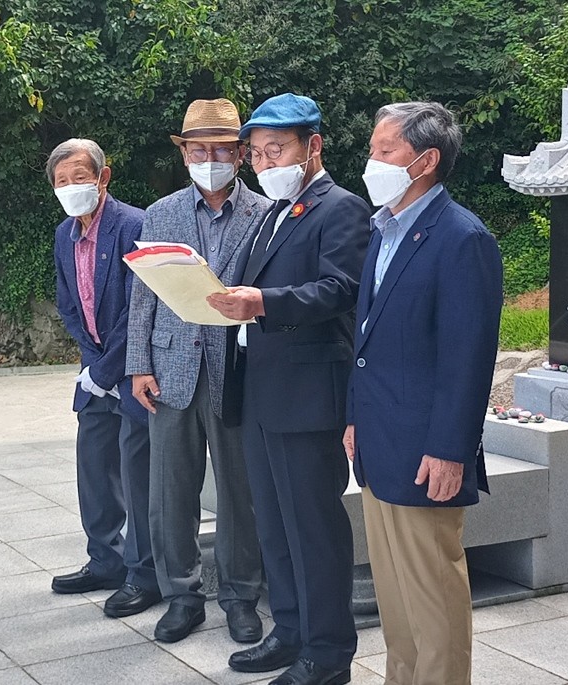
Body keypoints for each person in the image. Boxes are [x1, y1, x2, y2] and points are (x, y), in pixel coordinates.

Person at [207, 93, 370, 685]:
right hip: (258, 391)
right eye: (255, 153)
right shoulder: (270, 214)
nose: (264, 162)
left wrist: (262, 302)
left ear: (314, 147)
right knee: (273, 525)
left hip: (306, 397)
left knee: (313, 530)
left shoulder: (341, 208)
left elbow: (342, 289)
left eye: (276, 149)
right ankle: (292, 631)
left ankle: (327, 656)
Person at [343, 102, 503, 685]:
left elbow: (468, 358)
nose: (372, 161)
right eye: (373, 148)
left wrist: (450, 449)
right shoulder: (383, 229)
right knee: (395, 599)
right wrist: (354, 415)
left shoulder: (462, 239)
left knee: (432, 596)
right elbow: (368, 341)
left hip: (425, 450)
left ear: (426, 160)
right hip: (379, 441)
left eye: (386, 150)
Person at [126, 98, 270, 644]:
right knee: (170, 491)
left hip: (236, 370)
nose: (209, 159)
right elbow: (144, 295)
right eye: (198, 149)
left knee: (240, 491)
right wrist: (138, 364)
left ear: (239, 155)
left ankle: (239, 596)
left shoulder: (264, 214)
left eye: (222, 150)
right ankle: (182, 595)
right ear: (184, 153)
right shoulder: (159, 214)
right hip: (170, 368)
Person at [49, 138, 161, 619]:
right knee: (94, 468)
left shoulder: (133, 224)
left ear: (103, 177)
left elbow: (140, 307)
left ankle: (144, 574)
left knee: (138, 474)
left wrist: (108, 367)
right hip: (94, 369)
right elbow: (69, 303)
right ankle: (105, 560)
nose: (73, 188)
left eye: (80, 177)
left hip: (134, 368)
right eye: (62, 181)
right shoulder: (63, 234)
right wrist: (91, 366)